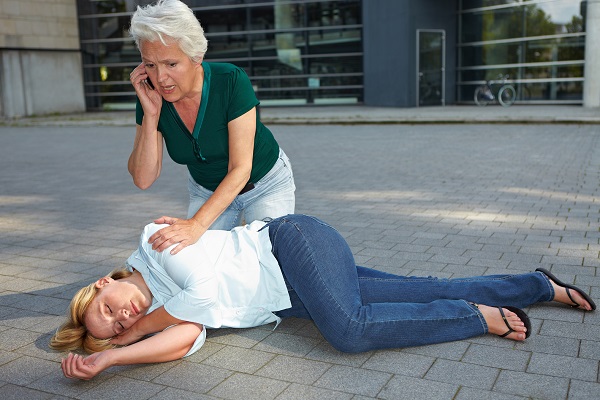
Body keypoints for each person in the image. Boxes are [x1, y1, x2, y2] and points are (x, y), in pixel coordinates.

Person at [50, 214, 596, 381]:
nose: (123, 316)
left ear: (104, 283)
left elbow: (207, 291)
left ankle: (474, 318)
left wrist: (138, 330)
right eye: (116, 325)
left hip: (293, 244)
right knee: (418, 290)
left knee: (350, 330)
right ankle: (537, 284)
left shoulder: (154, 240)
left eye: (107, 311)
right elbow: (187, 334)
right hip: (300, 290)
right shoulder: (164, 316)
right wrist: (114, 356)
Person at [127, 0, 295, 255]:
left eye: (171, 64)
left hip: (263, 184)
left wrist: (196, 225)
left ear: (196, 57)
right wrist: (151, 115)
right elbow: (143, 178)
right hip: (207, 191)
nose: (160, 78)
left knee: (271, 259)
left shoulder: (230, 81)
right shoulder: (151, 97)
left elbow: (241, 168)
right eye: (150, 65)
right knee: (193, 258)